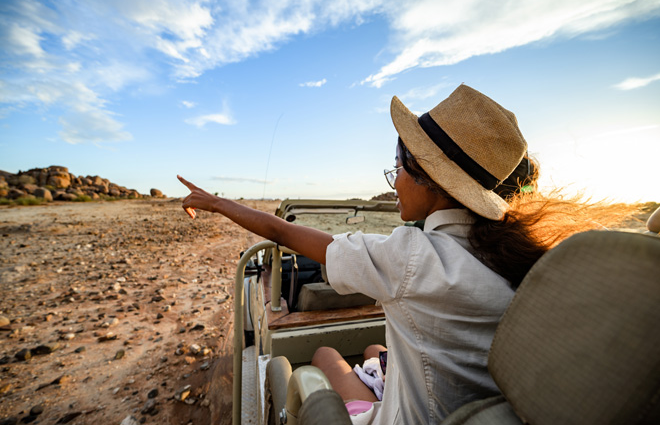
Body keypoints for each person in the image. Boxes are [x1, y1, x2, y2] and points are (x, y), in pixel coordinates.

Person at [178, 84, 634, 423]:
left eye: (398, 167)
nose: (393, 180)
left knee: (322, 358)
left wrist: (217, 202)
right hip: (464, 409)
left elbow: (284, 232)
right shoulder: (522, 255)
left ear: (431, 179)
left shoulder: (411, 258)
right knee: (377, 348)